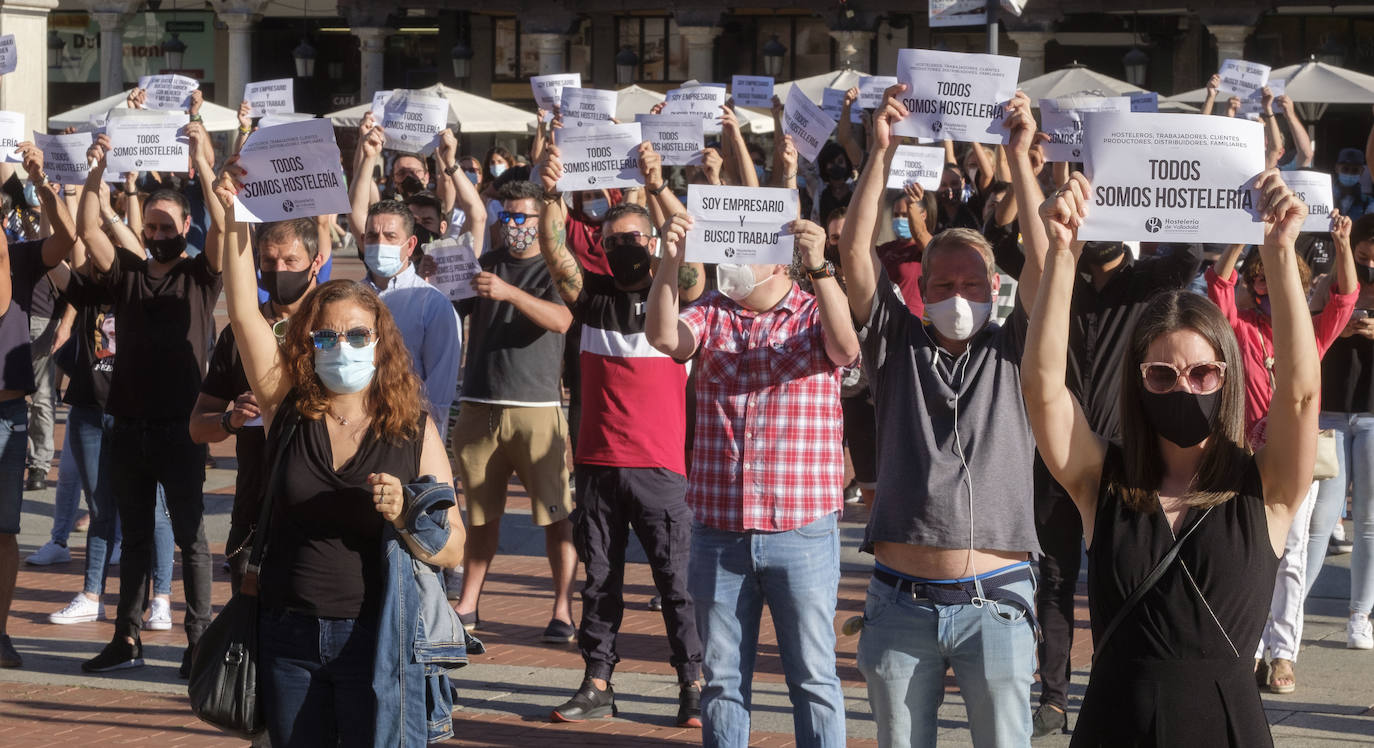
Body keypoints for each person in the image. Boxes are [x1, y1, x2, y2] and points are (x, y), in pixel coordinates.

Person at [1024, 169, 1319, 746]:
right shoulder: (1098, 480)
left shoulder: (1267, 489)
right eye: (1162, 374)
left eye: (1203, 372)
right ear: (1138, 385)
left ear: (1227, 380)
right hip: (1117, 725)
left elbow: (1301, 395)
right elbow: (1043, 389)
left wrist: (1280, 252)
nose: (1185, 387)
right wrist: (1062, 254)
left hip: (1226, 728)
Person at [215, 168, 466, 745]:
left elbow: (453, 545)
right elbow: (245, 311)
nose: (342, 347)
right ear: (307, 344)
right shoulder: (288, 408)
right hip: (288, 637)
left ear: (381, 343)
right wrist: (234, 223)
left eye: (357, 336)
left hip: (381, 639)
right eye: (326, 337)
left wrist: (407, 513)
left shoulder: (411, 426)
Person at [838, 87, 1046, 747]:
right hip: (901, 603)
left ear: (997, 292)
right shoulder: (897, 345)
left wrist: (1020, 160)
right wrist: (880, 152)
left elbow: (1046, 263)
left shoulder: (1015, 344)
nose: (959, 297)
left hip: (998, 604)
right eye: (943, 287)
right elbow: (852, 258)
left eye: (973, 286)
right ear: (920, 294)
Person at [647, 205, 859, 745]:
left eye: (746, 253)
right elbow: (663, 338)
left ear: (780, 265)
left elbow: (846, 348)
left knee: (812, 677)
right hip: (721, 531)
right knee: (721, 680)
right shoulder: (713, 312)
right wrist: (670, 262)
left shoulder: (813, 311)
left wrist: (823, 268)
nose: (733, 263)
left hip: (800, 528)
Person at [536, 142, 707, 726]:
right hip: (598, 464)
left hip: (661, 467)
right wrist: (551, 194)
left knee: (676, 584)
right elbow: (555, 251)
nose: (625, 247)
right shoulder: (592, 299)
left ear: (654, 242)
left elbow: (691, 261)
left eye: (636, 239)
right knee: (599, 583)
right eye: (614, 242)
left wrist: (657, 187)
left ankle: (692, 684)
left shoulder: (676, 296)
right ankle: (598, 681)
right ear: (604, 250)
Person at [77, 122, 223, 676]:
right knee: (133, 538)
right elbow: (89, 228)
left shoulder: (198, 276)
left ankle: (198, 642)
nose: (160, 232)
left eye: (169, 224)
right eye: (152, 224)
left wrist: (201, 162)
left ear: (184, 227)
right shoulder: (128, 273)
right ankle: (127, 639)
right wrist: (97, 171)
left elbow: (221, 228)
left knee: (190, 538)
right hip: (127, 426)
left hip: (182, 427)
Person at [1207, 223, 1357, 693]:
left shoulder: (1311, 335)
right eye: (1262, 278)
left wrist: (1344, 245)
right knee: (1246, 552)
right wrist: (1242, 234)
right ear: (1255, 284)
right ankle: (1248, 648)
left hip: (1297, 461)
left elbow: (1345, 298)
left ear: (1299, 284)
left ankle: (1283, 655)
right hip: (1246, 455)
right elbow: (1218, 285)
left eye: (1282, 277)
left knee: (1292, 555)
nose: (1269, 285)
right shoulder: (1241, 329)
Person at [450, 179, 578, 642]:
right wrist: (436, 272)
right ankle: (468, 602)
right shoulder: (486, 264)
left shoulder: (555, 268)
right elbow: (453, 305)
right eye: (507, 217)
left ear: (541, 219)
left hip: (537, 407)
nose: (513, 226)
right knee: (480, 513)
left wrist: (509, 293)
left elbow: (562, 319)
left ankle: (562, 609)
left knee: (555, 513)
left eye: (522, 216)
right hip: (480, 403)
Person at [189, 218, 326, 592]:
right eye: (268, 262)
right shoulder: (239, 336)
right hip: (255, 515)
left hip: (323, 512)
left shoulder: (334, 328)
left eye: (290, 262)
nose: (278, 271)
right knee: (248, 633)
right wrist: (231, 420)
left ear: (316, 262)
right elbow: (198, 427)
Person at [0, 142, 78, 668]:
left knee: (5, 533)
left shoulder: (24, 258)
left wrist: (43, 184)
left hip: (7, 415)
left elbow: (67, 239)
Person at [349, 122, 462, 427]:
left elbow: (438, 392)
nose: (379, 243)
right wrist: (368, 155)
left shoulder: (433, 304)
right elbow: (357, 211)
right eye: (371, 237)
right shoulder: (352, 301)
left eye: (389, 236)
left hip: (409, 432)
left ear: (410, 243)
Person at [1305, 212, 1374, 651]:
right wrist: (1339, 325)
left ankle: (1359, 615)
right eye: (1364, 254)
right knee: (1319, 519)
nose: (1369, 266)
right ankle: (1290, 610)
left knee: (1368, 520)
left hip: (1370, 414)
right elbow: (1302, 333)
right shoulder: (1326, 288)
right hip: (1328, 413)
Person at [875, 184, 936, 317]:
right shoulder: (885, 249)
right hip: (885, 321)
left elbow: (920, 234)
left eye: (905, 214)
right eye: (896, 215)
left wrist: (911, 204)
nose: (899, 220)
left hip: (913, 323)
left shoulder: (929, 248)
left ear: (923, 215)